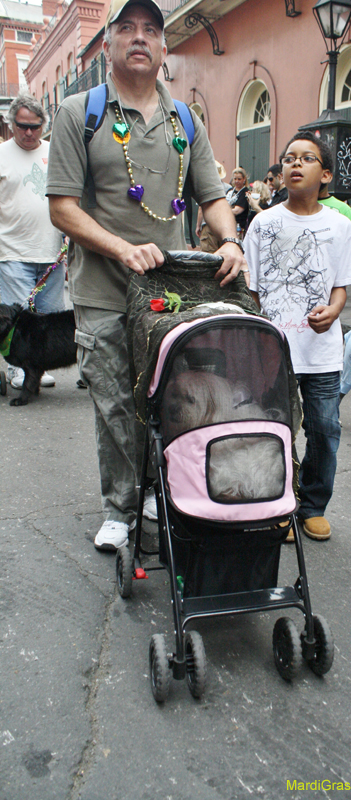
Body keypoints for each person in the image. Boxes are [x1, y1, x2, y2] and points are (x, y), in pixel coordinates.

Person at [46, 0, 246, 551]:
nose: (140, 37)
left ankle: (159, 490)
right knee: (115, 402)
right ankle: (121, 506)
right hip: (103, 291)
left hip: (168, 293)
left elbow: (212, 196)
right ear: (108, 43)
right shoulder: (79, 113)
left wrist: (230, 239)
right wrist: (122, 249)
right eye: (127, 28)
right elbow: (62, 207)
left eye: (151, 30)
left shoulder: (185, 120)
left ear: (163, 46)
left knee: (168, 398)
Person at [245, 131, 351, 540]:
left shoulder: (339, 225)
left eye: (307, 158)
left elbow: (342, 284)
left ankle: (313, 505)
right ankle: (279, 504)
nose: (295, 163)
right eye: (289, 157)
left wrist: (334, 310)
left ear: (326, 174)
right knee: (274, 430)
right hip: (272, 351)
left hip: (322, 352)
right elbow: (251, 288)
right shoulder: (263, 223)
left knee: (325, 431)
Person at [0, 93, 64, 389]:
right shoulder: (2, 154)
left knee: (49, 321)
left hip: (52, 252)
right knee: (17, 320)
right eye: (22, 125)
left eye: (35, 126)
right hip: (12, 252)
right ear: (11, 123)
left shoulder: (56, 152)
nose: (28, 132)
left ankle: (37, 367)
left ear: (43, 125)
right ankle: (16, 368)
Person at [196, 161, 232, 253]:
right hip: (224, 226)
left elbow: (201, 209)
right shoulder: (228, 188)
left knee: (208, 254)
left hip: (209, 225)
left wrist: (198, 226)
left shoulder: (206, 188)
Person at [226, 167, 249, 236]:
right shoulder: (230, 191)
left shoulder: (245, 192)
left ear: (244, 179)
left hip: (239, 227)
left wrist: (224, 211)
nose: (236, 181)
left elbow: (237, 210)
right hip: (229, 224)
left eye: (239, 179)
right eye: (235, 179)